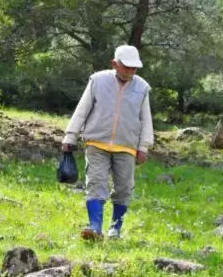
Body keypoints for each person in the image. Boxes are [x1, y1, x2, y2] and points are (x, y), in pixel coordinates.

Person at [62, 45, 154, 240]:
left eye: (134, 68)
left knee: (124, 188)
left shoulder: (142, 88)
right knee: (95, 183)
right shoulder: (98, 81)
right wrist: (70, 136)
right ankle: (95, 227)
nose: (130, 71)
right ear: (115, 64)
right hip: (97, 143)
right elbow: (82, 109)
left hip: (127, 146)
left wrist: (143, 146)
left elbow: (146, 119)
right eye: (127, 67)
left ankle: (115, 228)